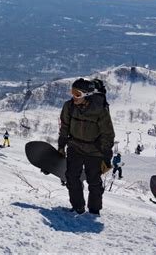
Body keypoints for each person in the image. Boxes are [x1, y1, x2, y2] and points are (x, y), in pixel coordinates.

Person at [58, 78, 115, 215]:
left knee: (94, 181)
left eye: (77, 94)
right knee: (71, 177)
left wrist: (106, 156)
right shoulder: (69, 106)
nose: (74, 97)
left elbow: (108, 134)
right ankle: (78, 207)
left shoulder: (100, 110)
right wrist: (61, 147)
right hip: (75, 146)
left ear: (87, 95)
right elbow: (64, 127)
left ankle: (94, 210)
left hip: (94, 150)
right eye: (72, 92)